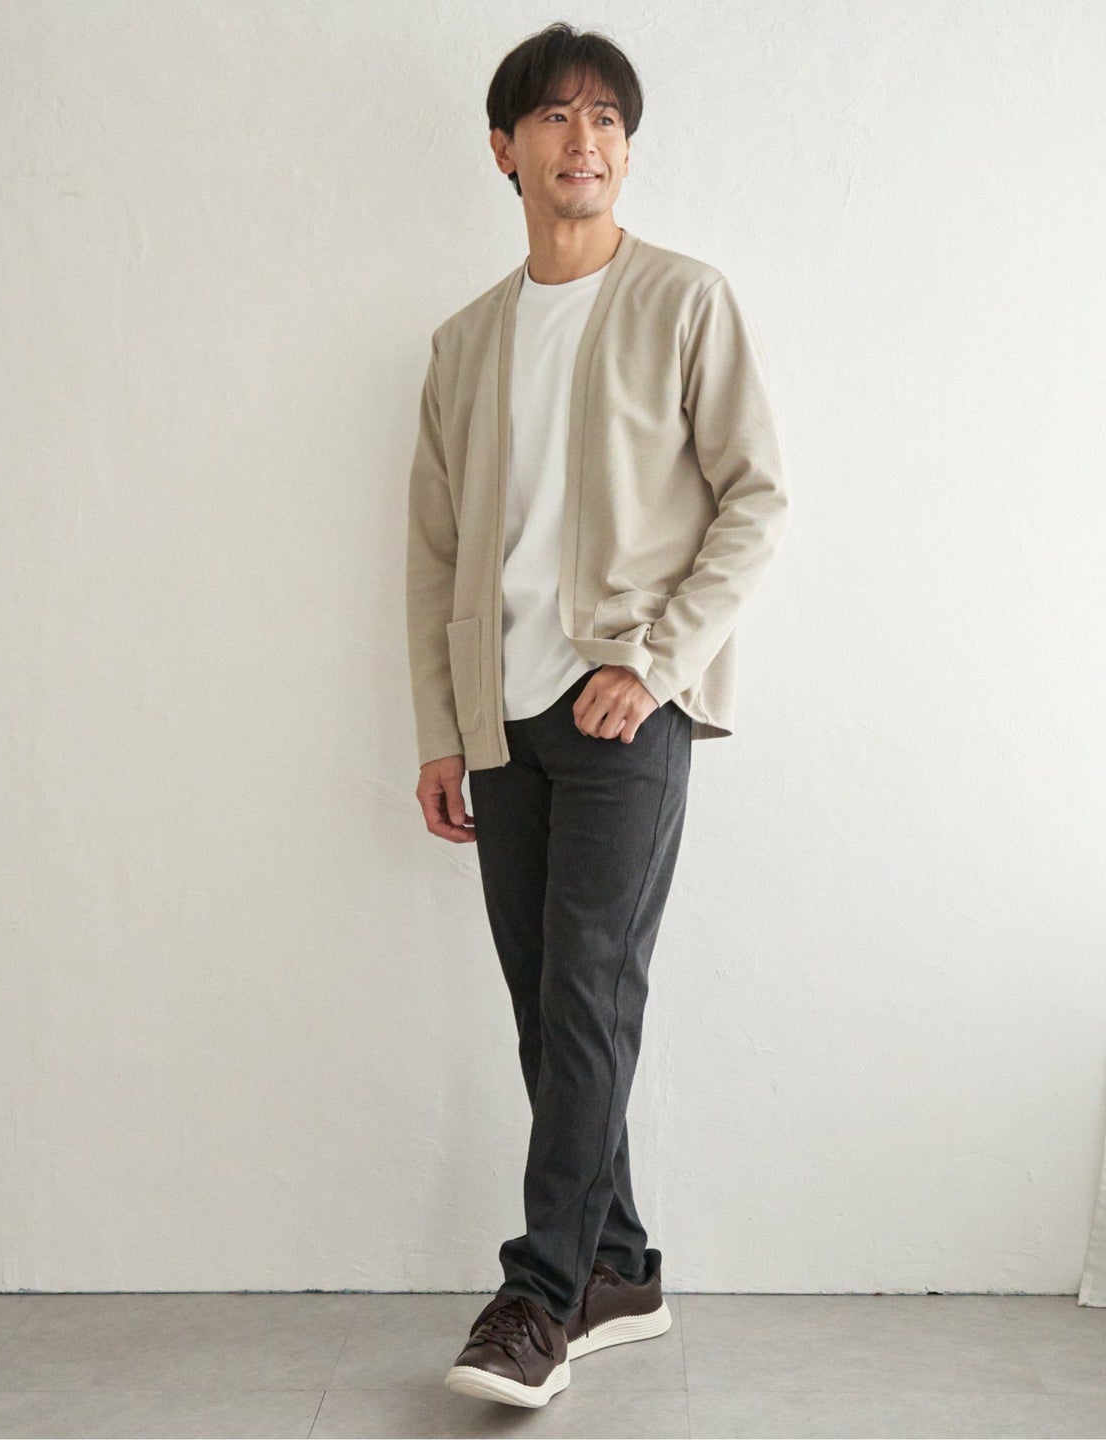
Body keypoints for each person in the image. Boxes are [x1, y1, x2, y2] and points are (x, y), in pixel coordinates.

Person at [404, 20, 792, 1410]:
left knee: (585, 996)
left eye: (608, 119)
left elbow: (756, 499)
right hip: (500, 719)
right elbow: (437, 552)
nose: (586, 141)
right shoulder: (464, 342)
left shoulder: (686, 300)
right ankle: (619, 1264)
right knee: (549, 1009)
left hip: (627, 710)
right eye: (557, 118)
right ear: (504, 150)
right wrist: (442, 727)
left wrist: (662, 661)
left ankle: (539, 1294)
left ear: (627, 148)